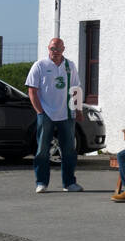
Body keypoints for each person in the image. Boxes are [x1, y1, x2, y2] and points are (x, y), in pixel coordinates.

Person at [25, 37, 83, 193]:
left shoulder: (69, 65)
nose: (55, 52)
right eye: (52, 49)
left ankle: (69, 182)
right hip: (46, 113)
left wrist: (78, 109)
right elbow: (32, 90)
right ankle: (41, 182)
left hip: (66, 113)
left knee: (69, 149)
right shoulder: (40, 66)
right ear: (48, 49)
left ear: (63, 49)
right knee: (43, 149)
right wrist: (40, 111)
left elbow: (76, 88)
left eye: (58, 49)